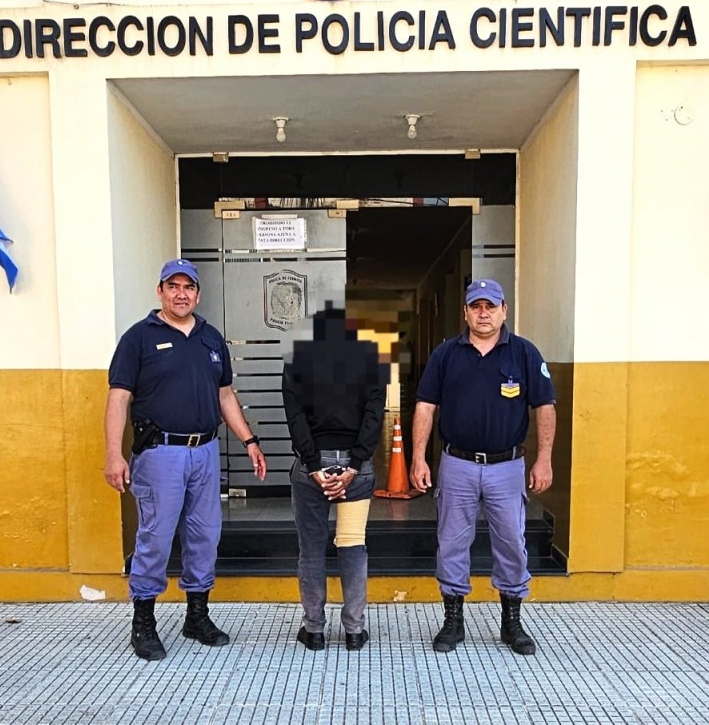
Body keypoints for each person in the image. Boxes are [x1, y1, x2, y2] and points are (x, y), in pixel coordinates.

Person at [104, 258, 267, 661]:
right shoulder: (138, 338)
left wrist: (248, 440)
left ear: (198, 293)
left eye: (188, 287)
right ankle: (144, 622)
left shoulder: (211, 338)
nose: (181, 294)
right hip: (160, 453)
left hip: (205, 452)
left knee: (204, 535)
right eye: (173, 286)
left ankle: (197, 616)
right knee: (156, 537)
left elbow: (224, 394)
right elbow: (119, 398)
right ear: (160, 291)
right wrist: (113, 454)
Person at [409, 278, 556, 655]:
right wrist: (418, 457)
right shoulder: (446, 354)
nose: (484, 313)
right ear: (466, 312)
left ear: (504, 310)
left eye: (491, 306)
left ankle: (512, 622)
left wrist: (544, 459)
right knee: (451, 543)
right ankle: (453, 621)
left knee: (512, 543)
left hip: (507, 467)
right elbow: (425, 406)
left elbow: (545, 406)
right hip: (456, 464)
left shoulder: (524, 353)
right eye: (476, 306)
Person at [282, 305, 387, 652]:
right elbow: (374, 414)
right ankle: (354, 631)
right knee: (353, 546)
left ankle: (314, 631)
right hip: (356, 471)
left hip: (311, 470)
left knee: (311, 549)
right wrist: (354, 465)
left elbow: (294, 416)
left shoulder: (297, 360)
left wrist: (314, 465)